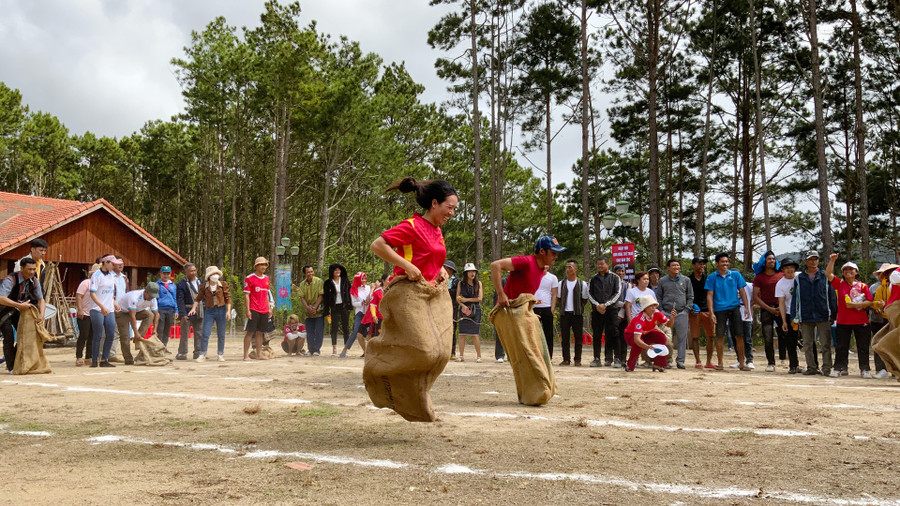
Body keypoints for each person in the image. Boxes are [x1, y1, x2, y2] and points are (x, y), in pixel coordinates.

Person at [370, 177, 457, 286]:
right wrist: (408, 266)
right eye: (449, 207)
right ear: (434, 203)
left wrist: (440, 270)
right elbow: (377, 245)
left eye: (454, 209)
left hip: (429, 292)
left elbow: (425, 258)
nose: (452, 213)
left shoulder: (437, 231)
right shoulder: (412, 226)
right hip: (406, 291)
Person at [490, 236, 566, 355]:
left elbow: (525, 295)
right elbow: (495, 265)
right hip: (506, 311)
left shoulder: (541, 271)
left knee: (532, 351)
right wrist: (501, 294)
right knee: (526, 353)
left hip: (520, 312)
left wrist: (530, 312)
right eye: (553, 253)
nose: (556, 256)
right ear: (542, 251)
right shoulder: (526, 261)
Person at [826, 253, 873, 378]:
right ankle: (839, 368)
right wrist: (832, 261)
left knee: (863, 347)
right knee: (841, 347)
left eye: (851, 269)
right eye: (845, 269)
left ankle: (865, 369)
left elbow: (869, 301)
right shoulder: (840, 284)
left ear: (856, 272)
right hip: (843, 321)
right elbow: (828, 274)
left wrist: (857, 304)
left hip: (861, 321)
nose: (848, 271)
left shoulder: (863, 286)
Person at [791, 251, 836, 376]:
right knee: (807, 344)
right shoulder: (799, 278)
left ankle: (827, 368)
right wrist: (794, 315)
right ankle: (811, 367)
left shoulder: (825, 276)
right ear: (805, 261)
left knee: (826, 344)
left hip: (823, 314)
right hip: (805, 315)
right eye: (810, 259)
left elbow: (831, 296)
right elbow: (795, 298)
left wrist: (833, 314)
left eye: (815, 259)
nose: (813, 262)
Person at [705, 253, 752, 371]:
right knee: (720, 336)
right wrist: (711, 313)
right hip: (720, 309)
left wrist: (746, 307)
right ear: (717, 263)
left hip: (734, 307)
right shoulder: (712, 277)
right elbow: (709, 296)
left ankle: (742, 362)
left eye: (726, 262)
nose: (725, 264)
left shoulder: (735, 275)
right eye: (722, 262)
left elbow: (742, 291)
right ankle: (720, 363)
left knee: (739, 335)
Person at [0, 258, 47, 373]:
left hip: (19, 311)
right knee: (9, 337)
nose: (31, 272)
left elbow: (41, 300)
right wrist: (18, 305)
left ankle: (17, 361)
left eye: (33, 269)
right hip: (3, 311)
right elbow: (1, 298)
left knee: (26, 335)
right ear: (21, 269)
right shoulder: (10, 279)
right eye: (29, 269)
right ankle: (11, 367)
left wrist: (42, 314)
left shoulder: (34, 281)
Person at [623, 293, 677, 372]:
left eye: (655, 305)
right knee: (637, 345)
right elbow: (637, 339)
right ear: (645, 308)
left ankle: (658, 364)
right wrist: (647, 346)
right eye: (651, 306)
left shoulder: (657, 313)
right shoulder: (640, 319)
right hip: (631, 334)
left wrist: (672, 318)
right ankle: (630, 365)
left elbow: (669, 325)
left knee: (661, 337)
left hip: (645, 333)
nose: (654, 308)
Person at [656, 259, 693, 369]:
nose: (676, 267)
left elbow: (690, 296)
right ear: (668, 268)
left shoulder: (686, 280)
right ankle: (668, 360)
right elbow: (659, 297)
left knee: (682, 338)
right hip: (666, 313)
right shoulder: (662, 281)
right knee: (666, 338)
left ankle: (680, 361)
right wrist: (661, 310)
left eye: (678, 265)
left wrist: (686, 310)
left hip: (682, 313)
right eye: (673, 265)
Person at [588, 257, 623, 368]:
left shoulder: (615, 277)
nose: (600, 266)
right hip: (597, 311)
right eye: (598, 264)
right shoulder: (593, 279)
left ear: (608, 264)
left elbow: (617, 293)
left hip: (611, 310)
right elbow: (589, 293)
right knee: (597, 335)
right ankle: (597, 358)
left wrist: (606, 304)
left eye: (602, 264)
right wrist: (597, 305)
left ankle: (616, 358)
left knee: (614, 333)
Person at [752, 251, 784, 372]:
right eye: (769, 259)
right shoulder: (759, 277)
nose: (772, 261)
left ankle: (786, 359)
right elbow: (755, 296)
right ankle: (771, 362)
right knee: (768, 336)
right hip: (766, 308)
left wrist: (780, 308)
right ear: (764, 262)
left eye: (773, 259)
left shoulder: (781, 275)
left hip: (780, 307)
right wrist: (768, 308)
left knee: (784, 334)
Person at [193, 265, 231, 362]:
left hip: (221, 310)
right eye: (213, 274)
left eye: (217, 274)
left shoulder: (223, 284)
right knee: (205, 333)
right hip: (209, 310)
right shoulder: (204, 286)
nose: (215, 275)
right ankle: (202, 354)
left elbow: (228, 298)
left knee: (221, 333)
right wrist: (193, 308)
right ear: (209, 276)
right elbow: (198, 298)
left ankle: (220, 354)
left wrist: (228, 311)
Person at [115, 283, 160, 364]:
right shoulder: (134, 297)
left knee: (150, 315)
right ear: (145, 292)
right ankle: (128, 359)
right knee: (125, 336)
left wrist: (155, 330)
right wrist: (135, 333)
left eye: (153, 296)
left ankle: (139, 337)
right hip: (122, 312)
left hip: (137, 311)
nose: (151, 298)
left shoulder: (153, 299)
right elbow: (132, 316)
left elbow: (156, 314)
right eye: (150, 296)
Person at [89, 255, 121, 368]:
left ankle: (104, 359)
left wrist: (114, 302)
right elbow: (92, 293)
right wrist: (101, 306)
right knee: (98, 334)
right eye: (112, 263)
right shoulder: (96, 275)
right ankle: (94, 359)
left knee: (111, 334)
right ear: (106, 262)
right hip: (97, 309)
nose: (114, 265)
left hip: (109, 308)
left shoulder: (111, 276)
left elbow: (109, 292)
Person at [557, 259, 590, 366]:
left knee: (578, 337)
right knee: (565, 338)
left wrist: (577, 307)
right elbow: (559, 298)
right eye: (566, 267)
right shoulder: (561, 283)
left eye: (570, 267)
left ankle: (577, 360)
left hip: (577, 314)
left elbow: (585, 299)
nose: (567, 269)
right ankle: (566, 359)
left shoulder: (582, 284)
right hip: (564, 314)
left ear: (575, 269)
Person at [871, 263, 899, 378]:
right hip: (893, 312)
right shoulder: (896, 274)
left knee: (886, 342)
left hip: (892, 313)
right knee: (884, 343)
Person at [776, 258, 803, 374]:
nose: (790, 269)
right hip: (789, 313)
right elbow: (781, 303)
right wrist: (784, 321)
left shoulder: (801, 277)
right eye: (786, 267)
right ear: (782, 270)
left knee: (808, 340)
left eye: (791, 267)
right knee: (790, 341)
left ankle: (814, 365)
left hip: (804, 312)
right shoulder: (780, 284)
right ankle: (793, 365)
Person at [243, 257, 272, 361]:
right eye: (261, 264)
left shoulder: (267, 279)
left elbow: (266, 295)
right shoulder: (249, 278)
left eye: (265, 264)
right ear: (256, 266)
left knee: (260, 332)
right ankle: (245, 355)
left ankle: (259, 354)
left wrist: (269, 308)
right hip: (254, 309)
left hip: (264, 310)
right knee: (250, 332)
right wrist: (247, 310)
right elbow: (246, 295)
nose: (263, 267)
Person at [688, 257, 714, 369]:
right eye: (699, 264)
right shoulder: (688, 280)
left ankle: (709, 361)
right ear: (694, 265)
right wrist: (690, 306)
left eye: (703, 264)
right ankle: (698, 361)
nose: (702, 266)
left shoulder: (708, 279)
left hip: (707, 310)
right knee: (695, 337)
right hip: (694, 311)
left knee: (711, 336)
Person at [456, 263, 483, 362]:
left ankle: (479, 356)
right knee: (462, 334)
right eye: (470, 271)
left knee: (475, 334)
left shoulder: (478, 283)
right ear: (466, 273)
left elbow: (479, 298)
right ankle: (461, 356)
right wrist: (462, 305)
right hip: (463, 310)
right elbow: (458, 297)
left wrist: (466, 300)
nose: (472, 273)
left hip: (475, 310)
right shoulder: (461, 284)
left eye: (474, 271)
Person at [323, 263, 351, 357]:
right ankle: (334, 348)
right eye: (335, 270)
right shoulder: (328, 283)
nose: (338, 272)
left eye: (339, 270)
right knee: (334, 327)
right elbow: (326, 298)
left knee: (345, 328)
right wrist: (326, 311)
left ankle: (345, 348)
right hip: (334, 307)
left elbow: (349, 293)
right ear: (332, 272)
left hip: (344, 306)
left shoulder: (345, 281)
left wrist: (350, 306)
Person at [340, 272, 370, 358]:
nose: (364, 280)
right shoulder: (354, 290)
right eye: (362, 278)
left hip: (368, 313)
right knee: (356, 331)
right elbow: (354, 303)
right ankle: (345, 349)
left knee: (370, 333)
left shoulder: (369, 288)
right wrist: (362, 303)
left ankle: (368, 351)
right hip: (360, 313)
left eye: (365, 278)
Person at [74, 264, 99, 366]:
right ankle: (79, 356)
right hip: (84, 312)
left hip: (95, 313)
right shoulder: (86, 283)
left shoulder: (100, 285)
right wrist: (79, 309)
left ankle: (89, 356)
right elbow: (79, 296)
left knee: (92, 336)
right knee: (84, 334)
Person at [533, 264, 559, 358]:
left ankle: (548, 356)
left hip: (547, 307)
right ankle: (535, 355)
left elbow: (554, 294)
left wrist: (552, 308)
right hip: (533, 308)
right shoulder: (532, 275)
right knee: (534, 333)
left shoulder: (552, 278)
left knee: (548, 333)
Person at [729, 273, 755, 369]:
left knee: (747, 339)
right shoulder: (729, 285)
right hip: (733, 313)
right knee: (735, 338)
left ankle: (749, 360)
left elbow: (756, 296)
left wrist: (750, 305)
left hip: (745, 314)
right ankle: (739, 360)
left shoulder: (749, 285)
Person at [298, 265, 325, 356]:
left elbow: (321, 295)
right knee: (309, 332)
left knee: (318, 330)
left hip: (318, 310)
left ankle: (317, 349)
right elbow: (302, 297)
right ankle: (310, 349)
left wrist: (315, 307)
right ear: (305, 274)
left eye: (311, 271)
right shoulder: (302, 284)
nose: (310, 273)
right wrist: (308, 308)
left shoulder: (319, 281)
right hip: (308, 311)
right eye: (308, 272)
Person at [156, 266, 178, 350]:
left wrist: (176, 310)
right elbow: (155, 298)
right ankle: (158, 348)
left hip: (170, 309)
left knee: (167, 329)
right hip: (160, 309)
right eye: (164, 273)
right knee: (160, 329)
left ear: (170, 274)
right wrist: (155, 310)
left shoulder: (173, 286)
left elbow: (175, 298)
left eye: (167, 274)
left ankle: (164, 347)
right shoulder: (157, 285)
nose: (165, 276)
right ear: (160, 274)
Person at [613, 264, 630, 367]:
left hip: (624, 314)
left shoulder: (628, 285)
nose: (620, 273)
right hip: (613, 313)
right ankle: (617, 358)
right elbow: (612, 299)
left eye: (622, 271)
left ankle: (624, 358)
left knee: (624, 337)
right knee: (615, 336)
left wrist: (621, 314)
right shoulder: (611, 284)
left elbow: (627, 301)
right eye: (618, 271)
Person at [444, 260, 459, 359]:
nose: (447, 270)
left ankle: (452, 351)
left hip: (453, 307)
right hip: (441, 306)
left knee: (452, 329)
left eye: (449, 269)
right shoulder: (439, 278)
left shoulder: (456, 281)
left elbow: (457, 295)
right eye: (446, 268)